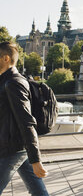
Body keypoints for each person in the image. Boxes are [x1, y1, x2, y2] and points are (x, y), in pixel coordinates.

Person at [0, 42, 49, 195]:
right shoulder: (5, 80)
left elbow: (26, 121)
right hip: (16, 145)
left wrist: (35, 159)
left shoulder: (13, 82)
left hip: (12, 149)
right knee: (37, 189)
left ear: (6, 58)